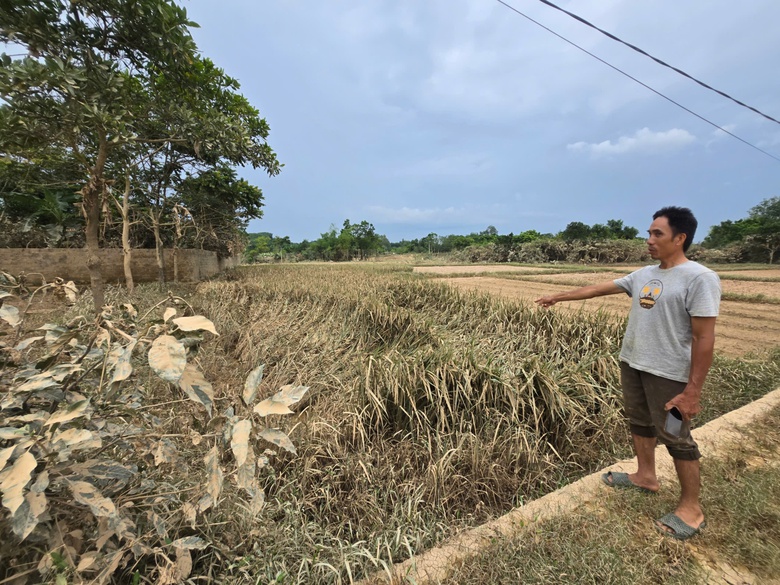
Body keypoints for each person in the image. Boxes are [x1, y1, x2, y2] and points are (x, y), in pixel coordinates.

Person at [535, 206, 721, 541]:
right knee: (639, 422)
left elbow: (704, 338)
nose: (649, 239)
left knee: (676, 435)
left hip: (669, 375)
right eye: (649, 233)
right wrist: (557, 297)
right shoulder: (643, 275)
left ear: (680, 238)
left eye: (657, 234)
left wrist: (692, 391)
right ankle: (645, 476)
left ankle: (692, 509)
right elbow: (596, 289)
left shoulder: (699, 278)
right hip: (633, 364)